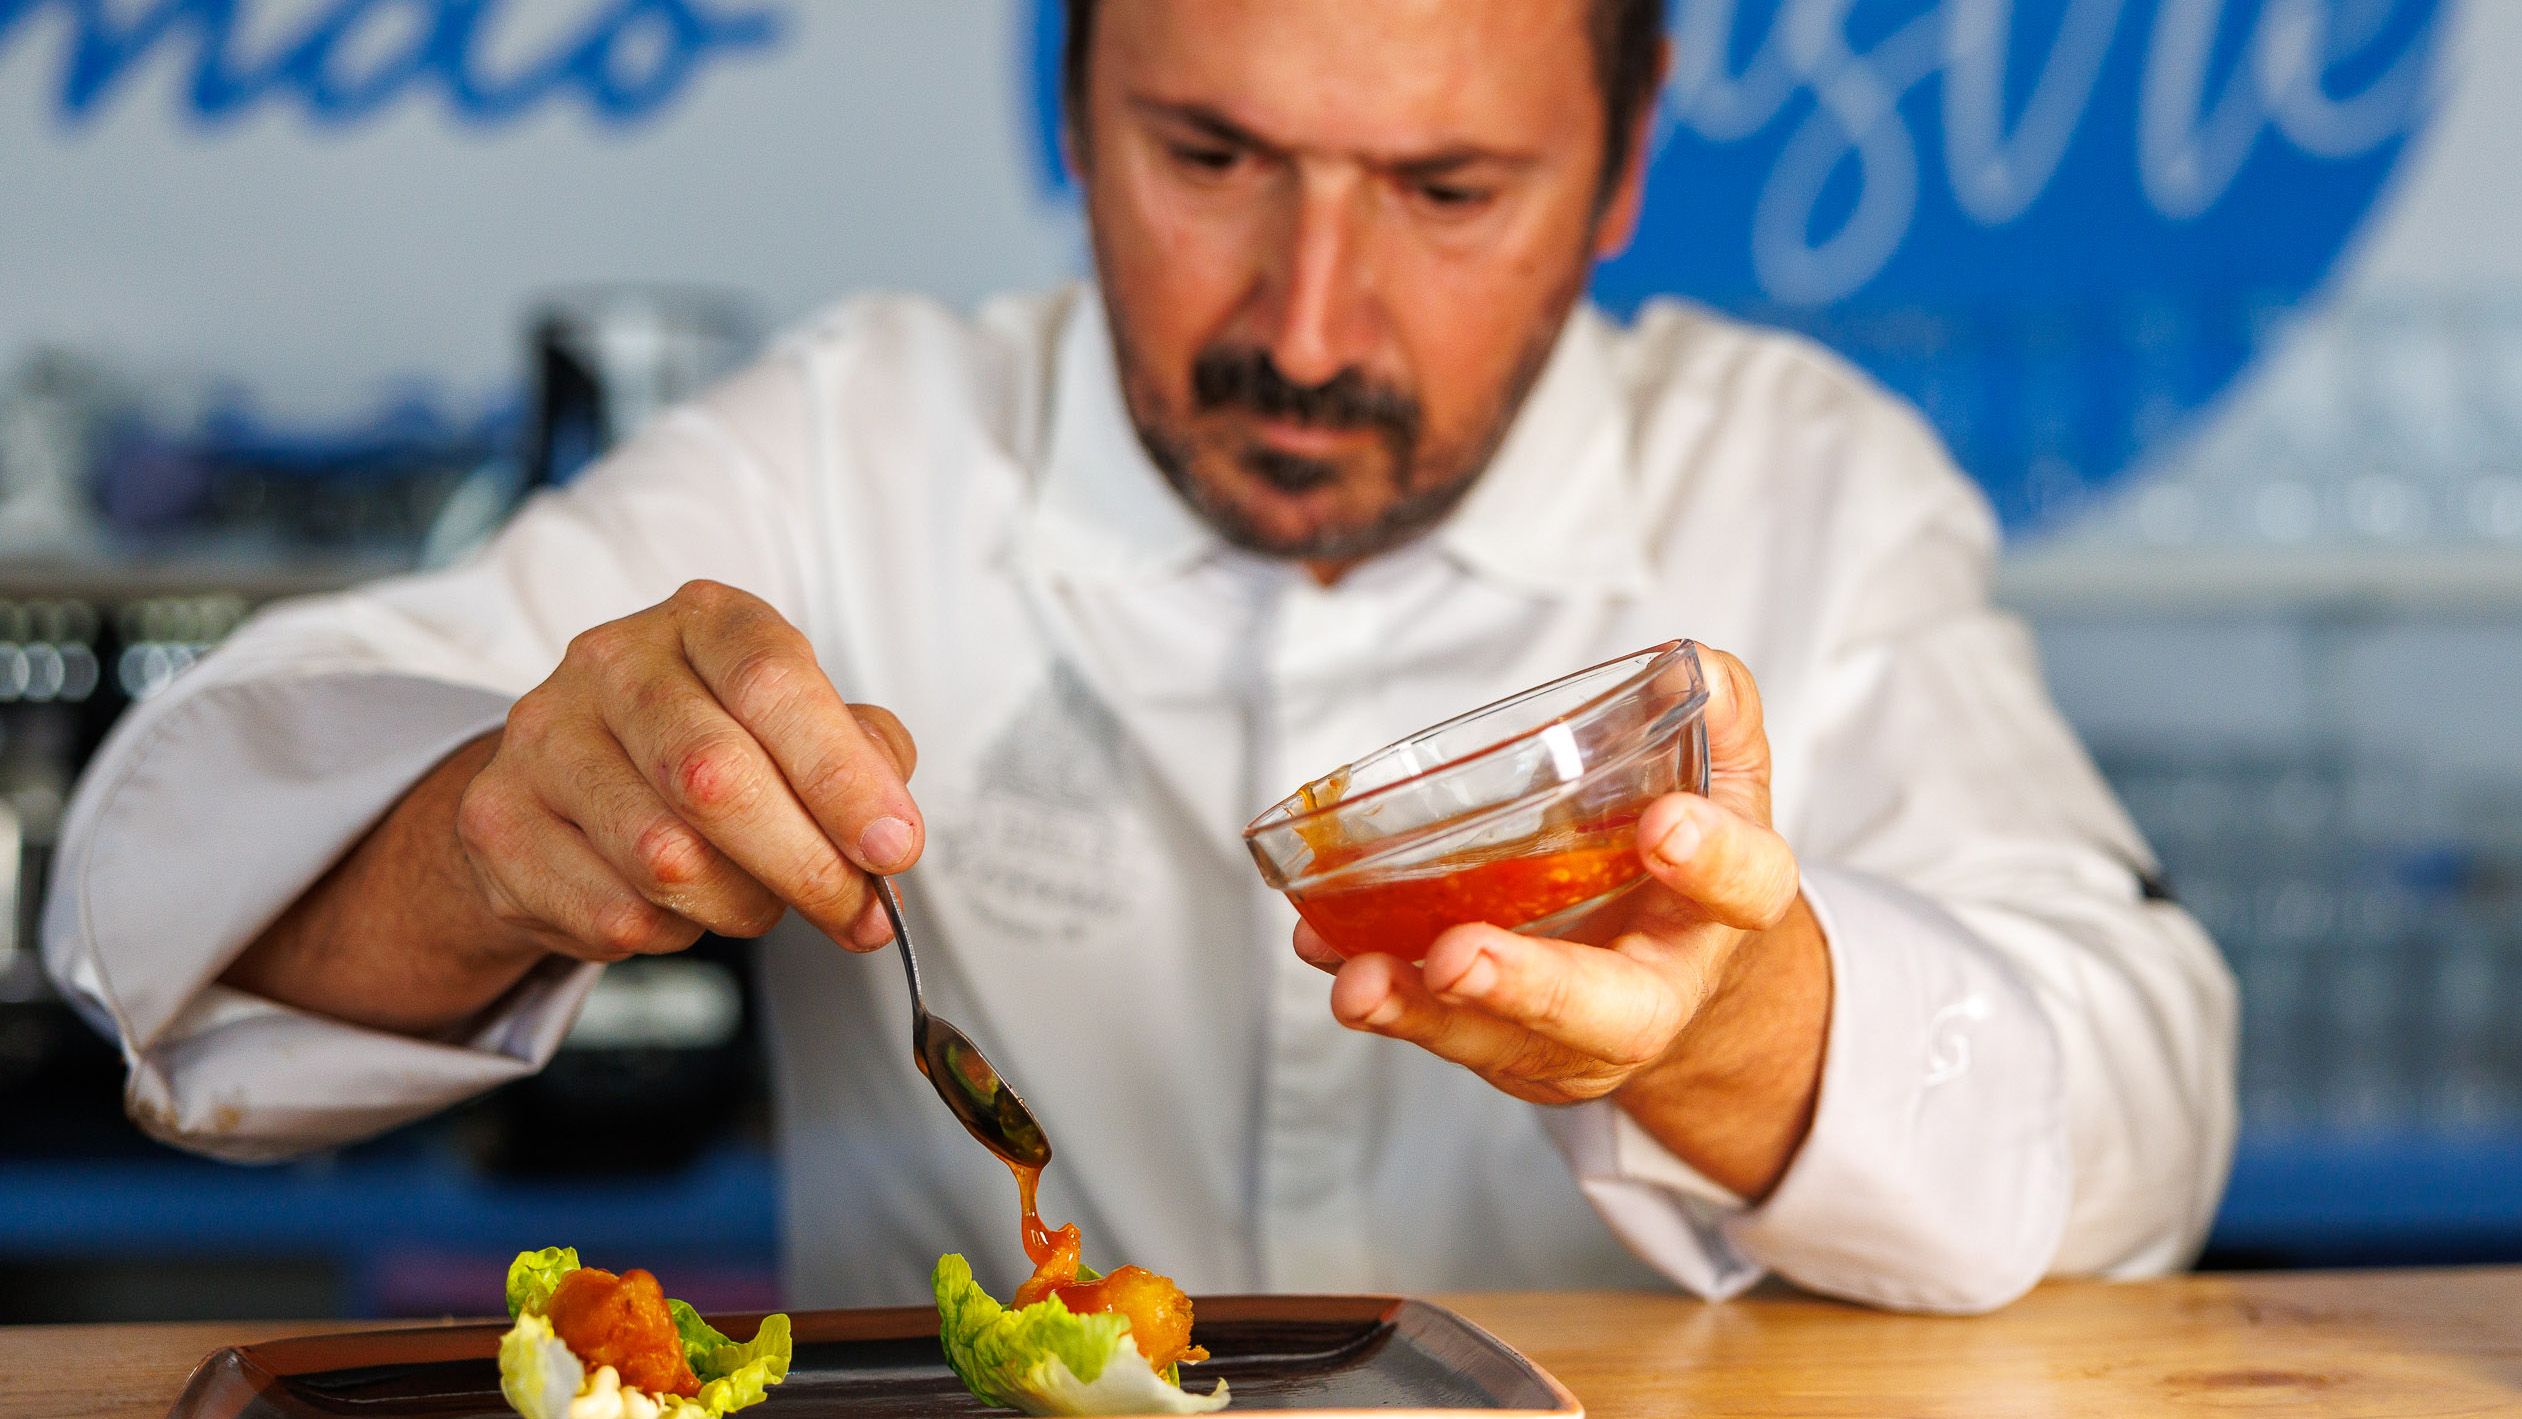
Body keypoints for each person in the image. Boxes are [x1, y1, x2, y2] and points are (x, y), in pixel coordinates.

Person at [42, 0, 2233, 1314]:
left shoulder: (1799, 485)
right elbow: (164, 911)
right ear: (1073, 110)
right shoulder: (857, 440)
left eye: (1446, 189)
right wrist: (500, 837)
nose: (1302, 321)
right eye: (1209, 156)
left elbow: (2144, 1101)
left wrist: (1745, 1029)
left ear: (1621, 169)